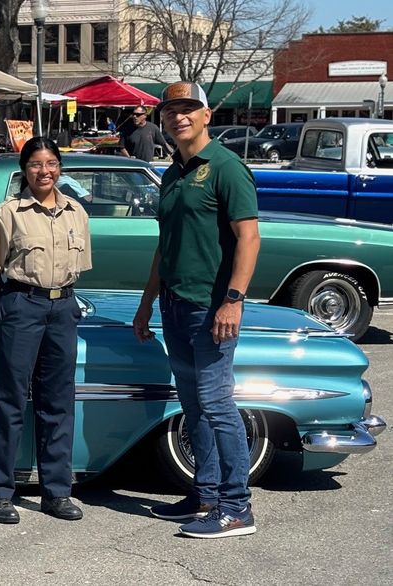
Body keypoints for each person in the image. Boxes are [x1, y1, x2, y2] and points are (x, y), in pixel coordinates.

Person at [133, 81, 261, 539]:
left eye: (188, 109)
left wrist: (233, 299)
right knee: (192, 404)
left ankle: (237, 506)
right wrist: (147, 303)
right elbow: (164, 246)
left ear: (206, 115)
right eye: (171, 111)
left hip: (211, 306)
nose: (178, 117)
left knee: (216, 403)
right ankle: (205, 493)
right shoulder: (172, 173)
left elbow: (249, 237)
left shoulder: (226, 167)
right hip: (174, 303)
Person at [0, 136, 91, 525]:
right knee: (10, 401)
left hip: (62, 308)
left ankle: (57, 491)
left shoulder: (77, 212)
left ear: (60, 168)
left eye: (52, 163)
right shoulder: (8, 213)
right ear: (24, 171)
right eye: (36, 165)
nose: (45, 171)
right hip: (21, 306)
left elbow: (80, 267)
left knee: (58, 400)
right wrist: (8, 311)